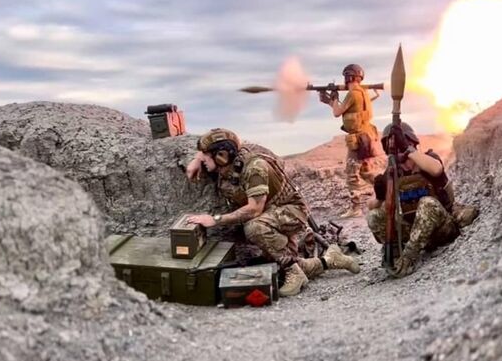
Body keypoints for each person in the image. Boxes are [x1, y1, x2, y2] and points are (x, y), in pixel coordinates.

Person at [185, 128, 361, 297]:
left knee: (254, 228)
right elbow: (208, 147)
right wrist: (196, 160)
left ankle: (294, 273)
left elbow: (254, 209)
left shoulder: (255, 168)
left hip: (291, 211)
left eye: (206, 156)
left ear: (222, 155)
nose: (203, 159)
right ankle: (330, 260)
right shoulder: (228, 162)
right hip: (270, 214)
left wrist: (215, 220)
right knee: (278, 264)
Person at [366, 122, 478, 278]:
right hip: (415, 233)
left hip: (442, 229)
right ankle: (395, 252)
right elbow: (371, 205)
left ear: (412, 143)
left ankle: (409, 258)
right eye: (395, 151)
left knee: (427, 203)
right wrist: (379, 197)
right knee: (374, 216)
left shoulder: (428, 160)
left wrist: (408, 150)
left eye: (402, 148)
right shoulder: (393, 174)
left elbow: (436, 169)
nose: (402, 159)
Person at [319, 64, 381, 218]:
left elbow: (337, 113)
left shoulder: (353, 93)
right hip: (367, 137)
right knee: (365, 172)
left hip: (358, 140)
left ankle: (356, 208)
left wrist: (334, 98)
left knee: (351, 173)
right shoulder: (363, 93)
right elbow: (348, 110)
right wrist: (329, 101)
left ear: (348, 77)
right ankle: (386, 190)